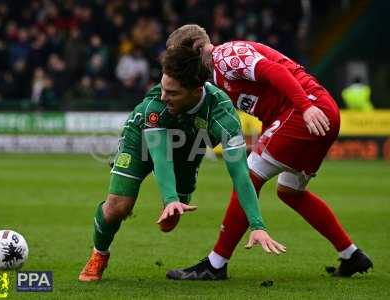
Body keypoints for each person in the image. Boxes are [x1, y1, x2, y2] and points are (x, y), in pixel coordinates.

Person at [164, 24, 373, 279]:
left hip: (306, 112)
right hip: (312, 112)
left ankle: (215, 265)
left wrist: (305, 107)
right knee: (290, 192)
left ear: (195, 50)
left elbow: (276, 71)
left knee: (248, 175)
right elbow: (267, 104)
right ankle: (351, 255)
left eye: (180, 59)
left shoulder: (226, 55)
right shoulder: (216, 76)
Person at [78, 46, 286, 282]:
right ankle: (99, 254)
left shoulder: (223, 117)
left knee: (173, 214)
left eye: (173, 93)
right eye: (163, 88)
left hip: (191, 146)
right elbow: (160, 155)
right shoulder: (156, 105)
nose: (163, 96)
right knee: (118, 207)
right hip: (141, 138)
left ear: (197, 91)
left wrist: (257, 224)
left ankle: (176, 202)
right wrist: (169, 198)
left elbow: (240, 174)